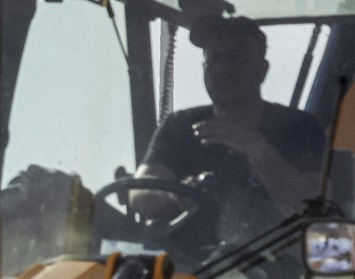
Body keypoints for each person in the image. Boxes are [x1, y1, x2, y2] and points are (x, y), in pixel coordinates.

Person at [134, 17, 326, 235]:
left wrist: (255, 147)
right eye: (214, 59)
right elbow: (140, 193)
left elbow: (312, 204)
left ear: (262, 70)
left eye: (235, 59)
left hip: (273, 260)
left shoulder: (299, 127)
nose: (223, 69)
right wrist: (174, 195)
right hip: (188, 264)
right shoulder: (179, 126)